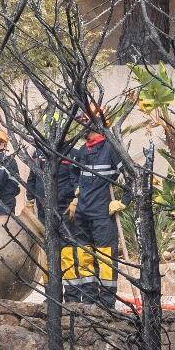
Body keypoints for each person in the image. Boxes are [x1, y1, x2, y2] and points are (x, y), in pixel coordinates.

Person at [68, 104, 125, 306]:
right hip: (82, 212)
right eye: (81, 120)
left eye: (86, 120)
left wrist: (122, 201)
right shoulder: (83, 150)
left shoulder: (111, 148)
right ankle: (89, 302)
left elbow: (132, 175)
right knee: (84, 258)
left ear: (98, 121)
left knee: (106, 259)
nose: (82, 124)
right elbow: (74, 174)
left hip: (103, 213)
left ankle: (106, 304)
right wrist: (76, 195)